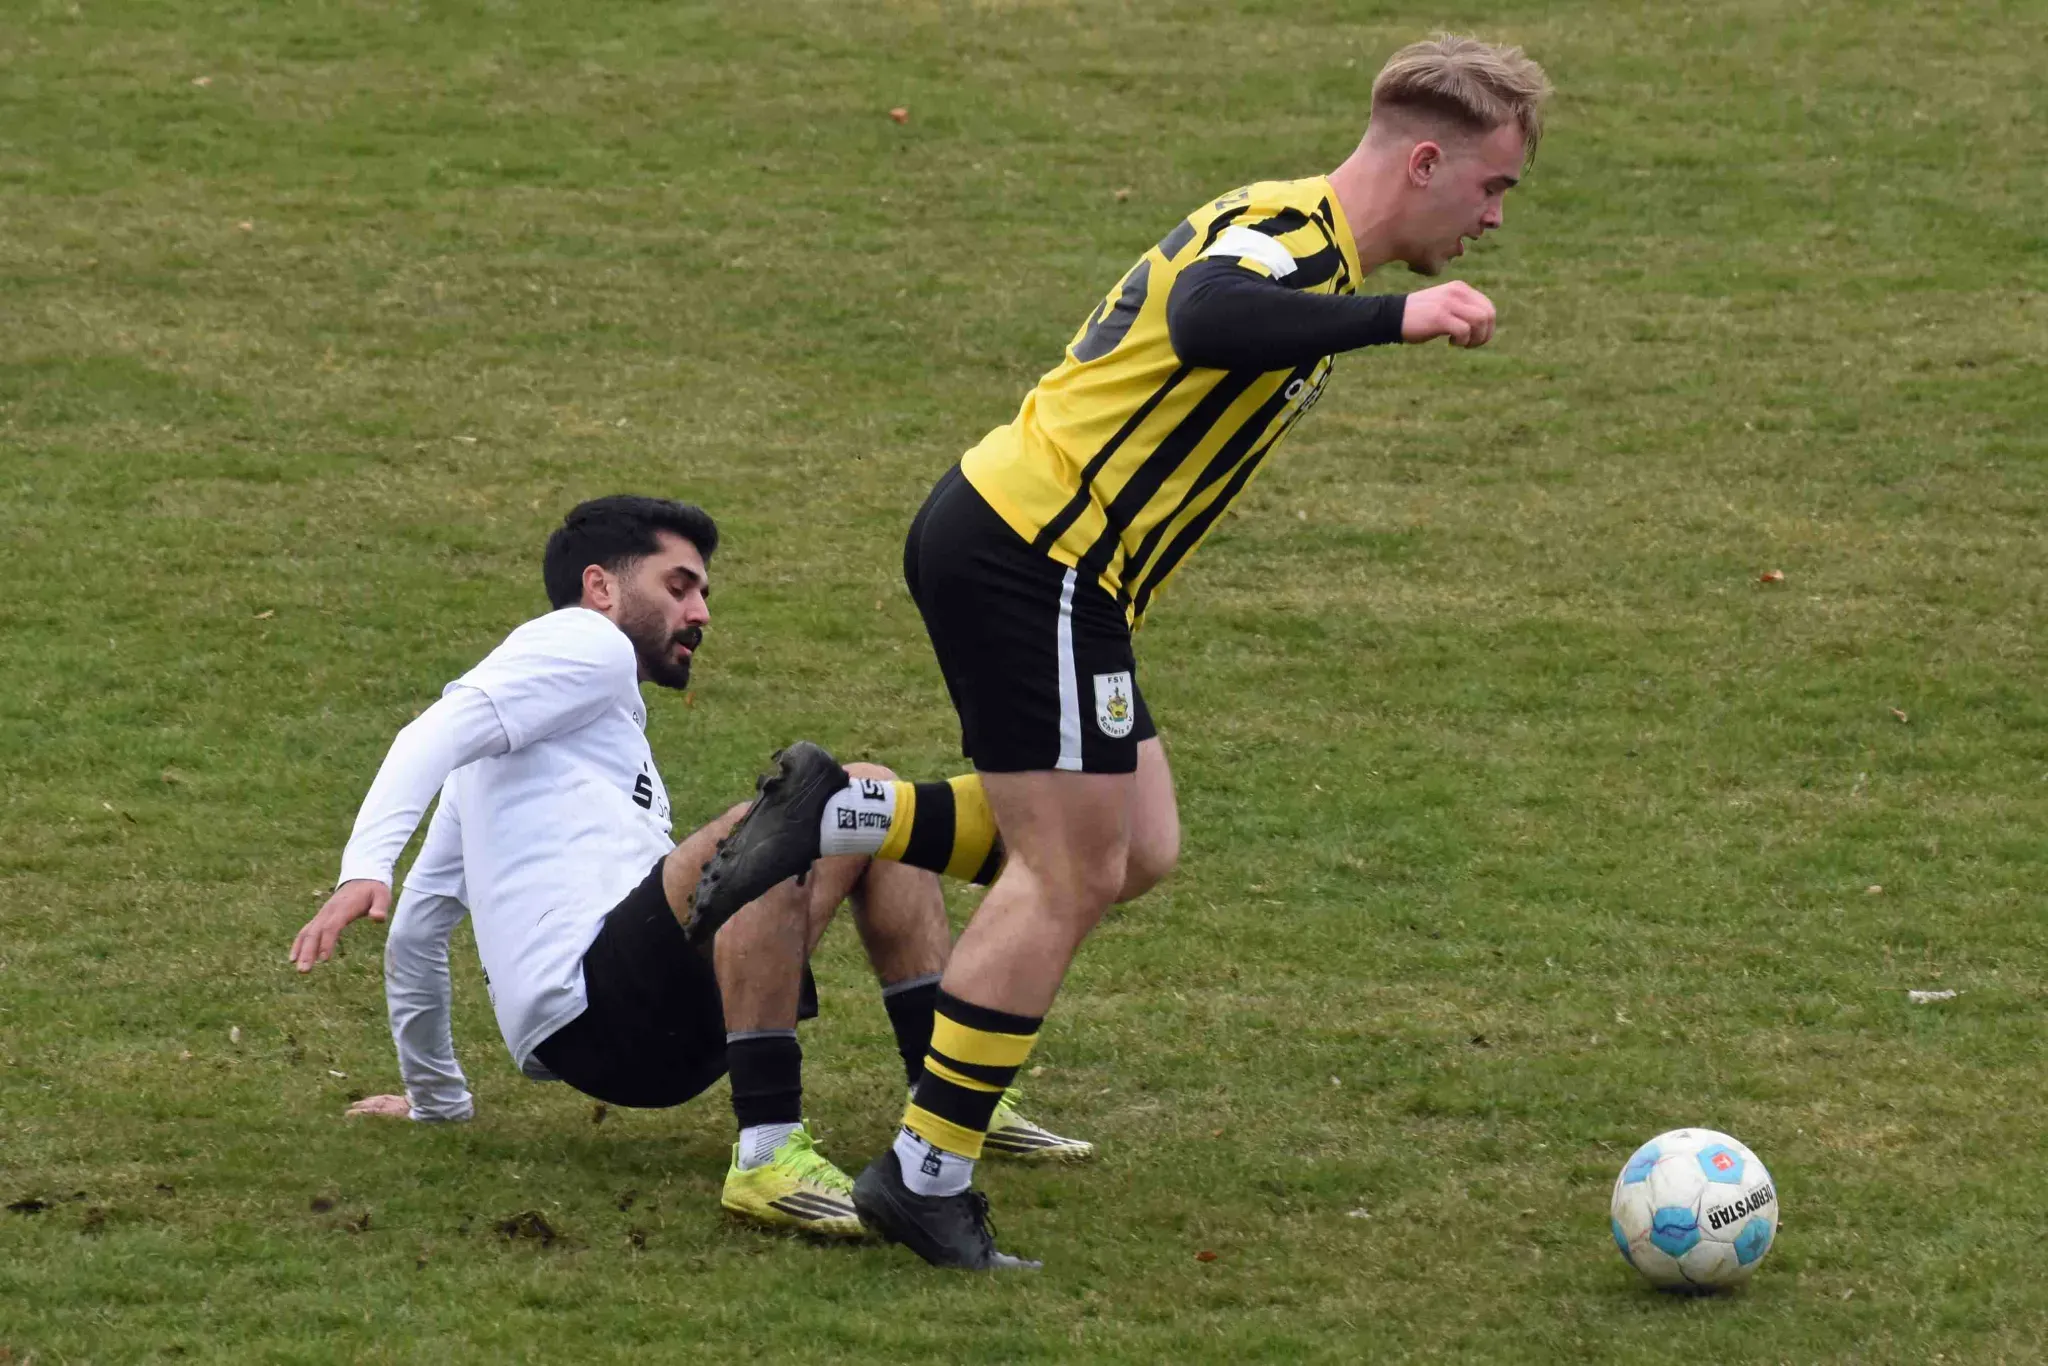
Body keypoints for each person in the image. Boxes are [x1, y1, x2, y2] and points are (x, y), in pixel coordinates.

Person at [689, 36, 1553, 1267]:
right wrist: (1396, 318)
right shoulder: (1292, 238)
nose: (1493, 217)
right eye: (1492, 187)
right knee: (1069, 873)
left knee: (1137, 845)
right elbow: (1206, 314)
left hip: (1053, 563)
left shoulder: (1287, 225)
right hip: (1031, 549)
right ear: (1425, 160)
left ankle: (844, 816)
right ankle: (924, 1174)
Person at [288, 495, 1088, 1241]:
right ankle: (769, 1152)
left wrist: (436, 1102)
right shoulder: (582, 640)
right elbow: (433, 730)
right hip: (599, 1002)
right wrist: (365, 864)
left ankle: (951, 1100)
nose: (700, 613)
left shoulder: (539, 746)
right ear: (598, 586)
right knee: (804, 809)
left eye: (702, 592)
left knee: (867, 797)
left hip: (648, 1032)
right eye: (680, 586)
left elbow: (423, 928)